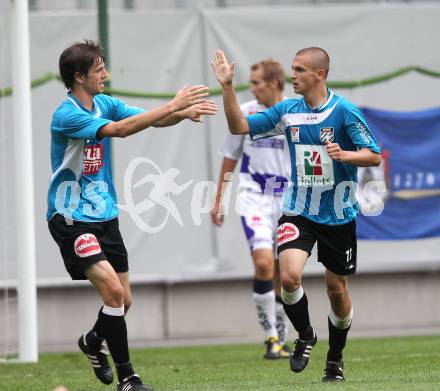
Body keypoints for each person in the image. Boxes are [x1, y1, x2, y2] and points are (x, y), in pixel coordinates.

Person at [47, 40, 217, 391]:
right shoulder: (66, 114)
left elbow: (145, 121)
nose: (106, 74)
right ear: (79, 77)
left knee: (124, 301)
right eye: (99, 70)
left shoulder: (104, 103)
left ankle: (94, 341)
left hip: (105, 215)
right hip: (70, 217)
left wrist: (178, 114)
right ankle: (129, 378)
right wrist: (173, 104)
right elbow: (122, 130)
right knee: (112, 292)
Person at [211, 47, 381, 382]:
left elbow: (373, 156)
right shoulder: (287, 110)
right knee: (288, 276)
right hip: (298, 209)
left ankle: (335, 358)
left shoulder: (344, 112)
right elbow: (238, 125)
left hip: (337, 214)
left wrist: (345, 155)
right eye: (292, 69)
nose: (293, 76)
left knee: (337, 290)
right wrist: (227, 87)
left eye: (300, 70)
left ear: (320, 74)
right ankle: (304, 335)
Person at [210, 59, 291, 359]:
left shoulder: (293, 113)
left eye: (256, 82)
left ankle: (281, 334)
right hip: (254, 194)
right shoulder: (244, 113)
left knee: (286, 271)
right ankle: (271, 337)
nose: (252, 87)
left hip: (287, 198)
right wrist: (219, 198)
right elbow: (230, 156)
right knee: (264, 264)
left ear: (274, 84)